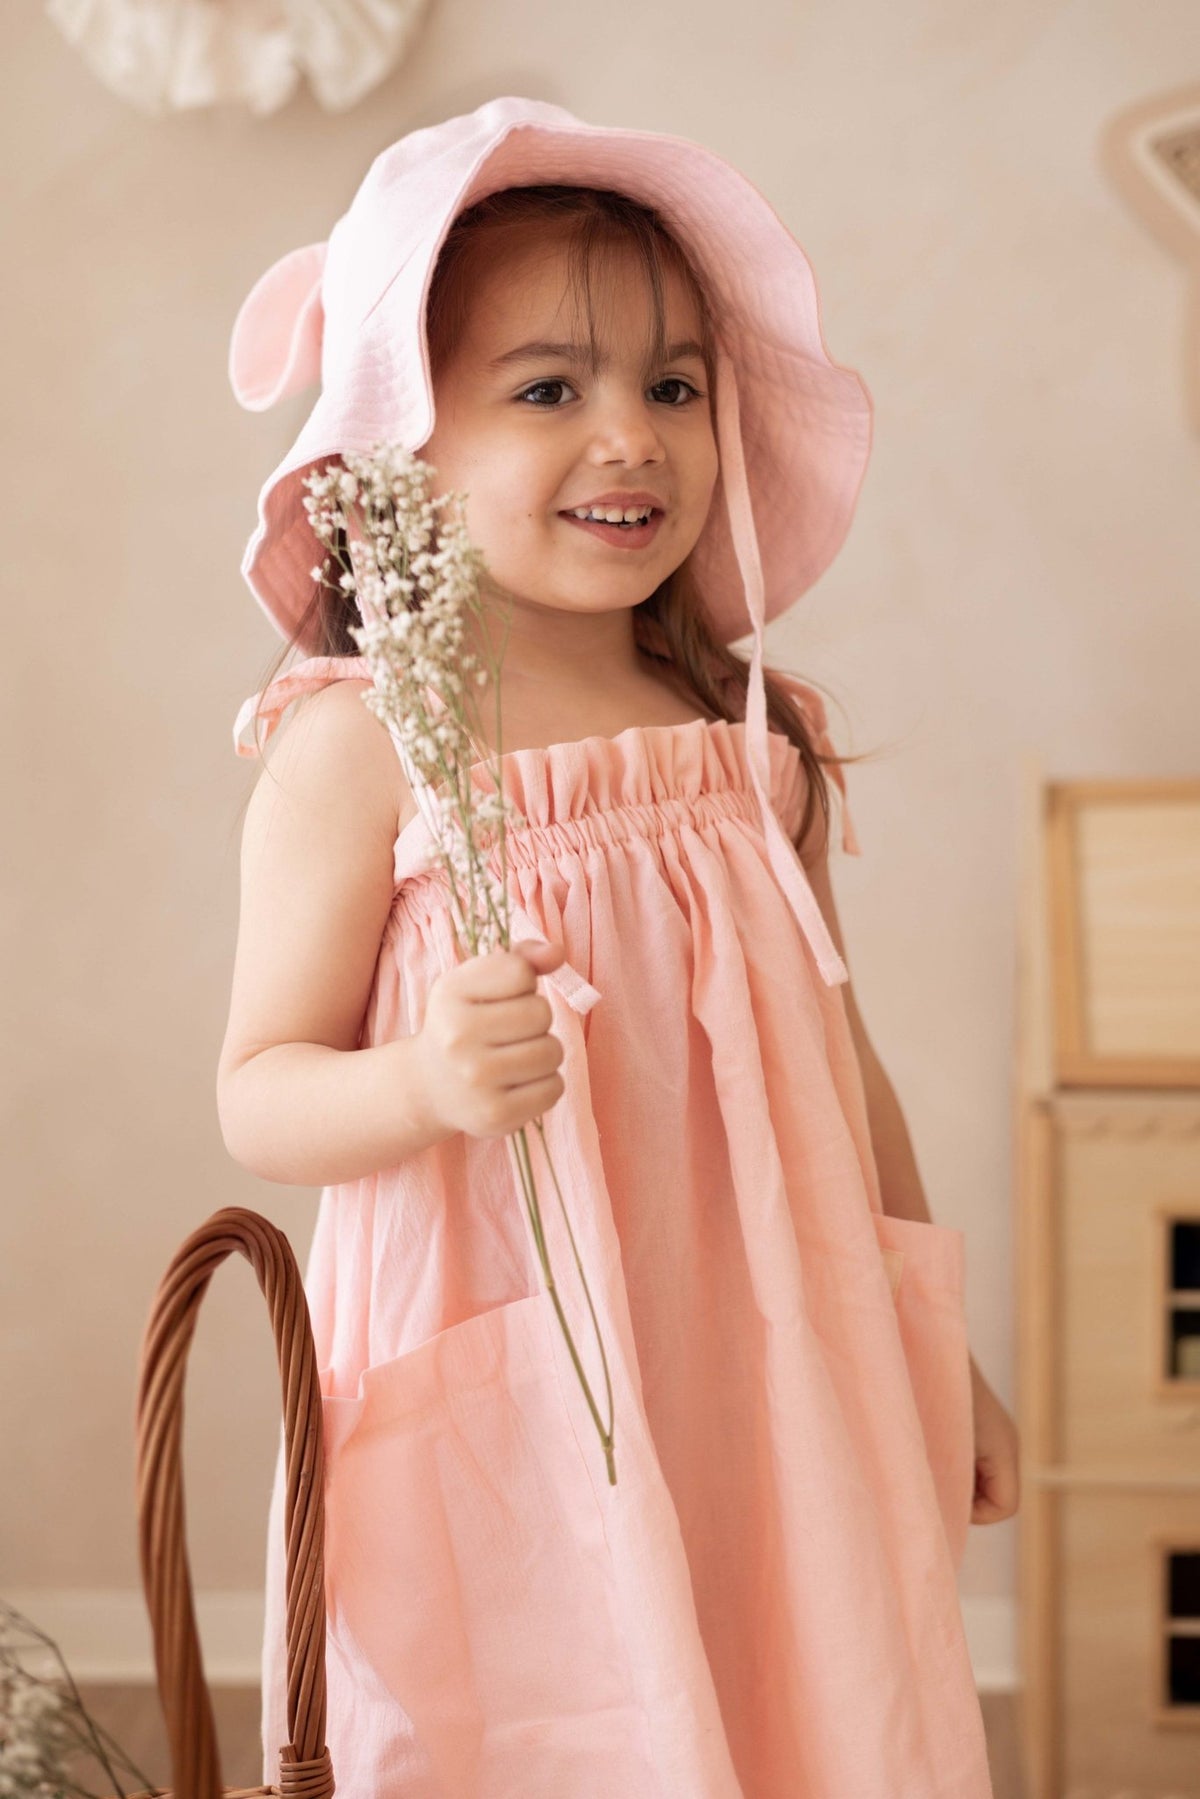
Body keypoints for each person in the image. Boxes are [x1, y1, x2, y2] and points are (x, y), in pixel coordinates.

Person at [217, 95, 1016, 1798]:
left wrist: (939, 1353)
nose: (633, 438)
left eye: (672, 386)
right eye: (547, 390)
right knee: (549, 1720)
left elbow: (840, 1059)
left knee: (812, 1697)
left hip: (779, 1370)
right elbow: (260, 1096)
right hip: (527, 1368)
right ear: (398, 444)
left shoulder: (744, 729)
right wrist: (426, 1080)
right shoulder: (361, 748)